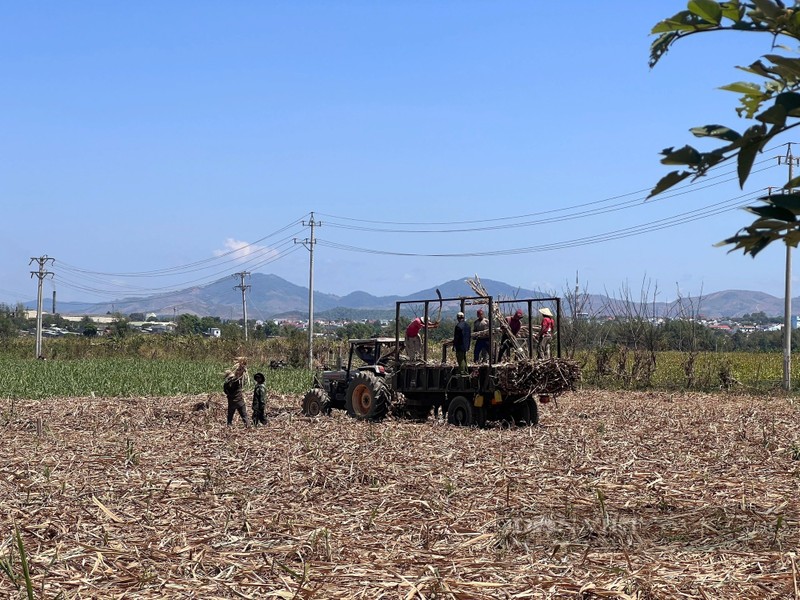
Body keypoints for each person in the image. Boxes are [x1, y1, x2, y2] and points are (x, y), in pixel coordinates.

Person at [223, 357, 250, 427]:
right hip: (240, 402)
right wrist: (242, 369)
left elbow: (225, 391)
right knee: (244, 416)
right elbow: (240, 377)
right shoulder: (236, 381)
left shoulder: (226, 384)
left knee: (230, 417)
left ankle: (229, 426)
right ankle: (248, 426)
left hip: (231, 402)